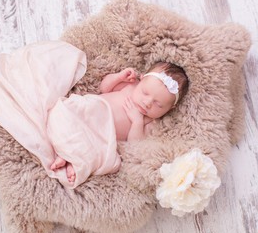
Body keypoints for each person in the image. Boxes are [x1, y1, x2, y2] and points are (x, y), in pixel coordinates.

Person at [51, 62, 188, 184]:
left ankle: (69, 159)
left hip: (101, 136)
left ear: (170, 109)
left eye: (158, 104)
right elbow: (104, 88)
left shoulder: (149, 122)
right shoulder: (130, 86)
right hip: (89, 112)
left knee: (98, 153)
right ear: (141, 79)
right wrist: (118, 77)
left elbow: (135, 143)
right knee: (67, 114)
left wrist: (136, 121)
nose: (147, 103)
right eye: (145, 92)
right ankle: (65, 154)